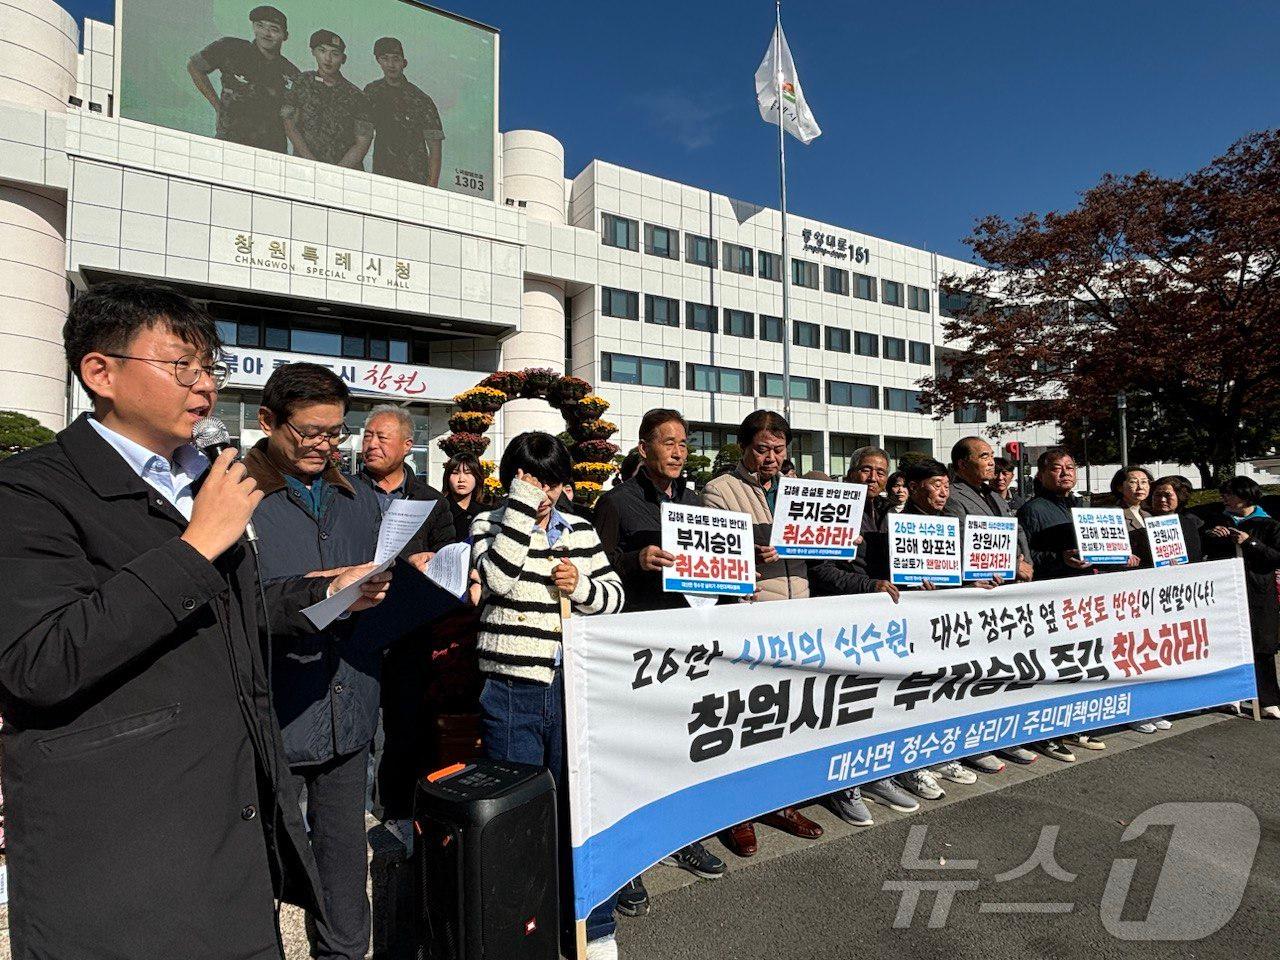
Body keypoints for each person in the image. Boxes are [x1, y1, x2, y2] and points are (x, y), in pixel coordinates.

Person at [0, 283, 386, 959]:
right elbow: (39, 661)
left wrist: (328, 594)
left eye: (211, 367)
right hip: (121, 853)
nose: (205, 386)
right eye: (182, 366)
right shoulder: (30, 490)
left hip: (228, 826)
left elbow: (234, 608)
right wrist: (194, 546)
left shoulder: (205, 478)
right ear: (101, 372)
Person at [244, 364, 397, 960]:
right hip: (272, 712)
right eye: (308, 433)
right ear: (268, 422)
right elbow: (224, 604)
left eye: (334, 434)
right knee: (260, 866)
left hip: (349, 704)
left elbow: (370, 587)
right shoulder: (231, 494)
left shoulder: (354, 496)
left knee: (342, 863)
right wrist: (321, 592)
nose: (323, 446)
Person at [470, 432, 625, 959]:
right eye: (533, 479)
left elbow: (614, 599)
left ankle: (592, 926)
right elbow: (495, 580)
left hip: (572, 688)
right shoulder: (489, 524)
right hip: (511, 689)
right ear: (512, 478)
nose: (546, 492)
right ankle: (520, 932)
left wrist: (581, 585)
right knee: (517, 817)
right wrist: (517, 510)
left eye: (554, 481)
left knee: (580, 810)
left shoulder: (579, 530)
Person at [593, 410, 728, 915]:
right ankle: (627, 863)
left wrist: (740, 569)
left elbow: (714, 569)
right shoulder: (616, 503)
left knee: (681, 748)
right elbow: (597, 571)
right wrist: (635, 562)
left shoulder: (696, 503)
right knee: (633, 756)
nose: (678, 451)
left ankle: (679, 839)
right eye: (668, 442)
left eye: (684, 443)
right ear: (645, 447)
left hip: (689, 644)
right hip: (638, 647)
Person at [703, 411, 822, 856]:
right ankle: (739, 814)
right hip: (752, 616)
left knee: (792, 717)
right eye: (761, 449)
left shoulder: (802, 491)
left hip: (799, 613)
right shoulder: (720, 489)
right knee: (748, 720)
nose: (771, 457)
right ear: (743, 448)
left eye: (779, 448)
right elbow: (715, 550)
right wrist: (751, 553)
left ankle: (783, 804)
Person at [354, 406, 457, 834]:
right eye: (367, 436)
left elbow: (451, 556)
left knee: (403, 727)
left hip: (408, 633)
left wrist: (428, 562)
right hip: (353, 627)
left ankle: (396, 811)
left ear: (406, 446)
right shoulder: (345, 490)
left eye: (381, 437)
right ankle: (347, 813)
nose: (371, 444)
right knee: (355, 725)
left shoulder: (431, 500)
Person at [811, 447, 917, 824]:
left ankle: (877, 775)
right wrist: (867, 584)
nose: (873, 477)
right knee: (845, 706)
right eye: (866, 470)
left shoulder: (891, 512)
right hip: (841, 619)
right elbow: (820, 572)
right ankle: (843, 788)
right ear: (851, 472)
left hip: (884, 623)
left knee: (881, 702)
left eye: (880, 472)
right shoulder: (833, 507)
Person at [941, 437, 1063, 761]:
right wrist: (1012, 564)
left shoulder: (995, 494)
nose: (992, 461)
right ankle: (974, 743)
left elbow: (1015, 533)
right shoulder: (954, 498)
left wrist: (1027, 561)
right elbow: (966, 544)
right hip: (979, 595)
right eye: (983, 456)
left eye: (992, 455)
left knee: (1005, 670)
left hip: (1009, 591)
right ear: (962, 464)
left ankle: (1002, 734)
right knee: (977, 673)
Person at [1017, 448, 1091, 762]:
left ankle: (1070, 724)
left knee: (1076, 662)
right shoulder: (1033, 509)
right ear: (1042, 474)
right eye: (1057, 468)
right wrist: (1059, 558)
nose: (1065, 472)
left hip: (1080, 596)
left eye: (1070, 467)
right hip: (1049, 598)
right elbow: (1027, 557)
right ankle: (1045, 734)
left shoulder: (1082, 505)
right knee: (1050, 667)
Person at [1202, 477, 1280, 718]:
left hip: (1258, 592)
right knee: (1228, 643)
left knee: (1261, 645)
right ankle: (1230, 696)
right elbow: (1203, 547)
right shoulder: (1217, 520)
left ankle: (1267, 699)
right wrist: (1211, 535)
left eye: (1230, 494)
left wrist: (1251, 543)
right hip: (1225, 591)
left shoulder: (1269, 524)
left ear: (1245, 496)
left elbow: (1276, 557)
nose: (1225, 498)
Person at [188, 5, 300, 152]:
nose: (266, 33)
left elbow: (294, 117)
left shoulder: (291, 73)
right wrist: (218, 107)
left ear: (285, 36)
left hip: (271, 150)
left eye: (274, 29)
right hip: (230, 141)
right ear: (254, 27)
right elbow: (194, 66)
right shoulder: (232, 49)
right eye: (260, 26)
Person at [282, 30, 375, 168]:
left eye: (335, 54)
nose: (328, 58)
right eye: (322, 51)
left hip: (344, 175)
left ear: (343, 59)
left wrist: (335, 172)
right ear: (313, 52)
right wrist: (312, 164)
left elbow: (362, 142)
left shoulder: (357, 96)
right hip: (304, 168)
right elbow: (289, 125)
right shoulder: (301, 82)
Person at [363, 37, 445, 187]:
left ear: (404, 63)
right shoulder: (372, 92)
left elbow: (435, 151)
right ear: (378, 61)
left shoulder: (421, 100)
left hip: (416, 179)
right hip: (382, 177)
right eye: (385, 59)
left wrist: (432, 188)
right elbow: (362, 137)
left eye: (396, 59)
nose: (391, 64)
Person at [1150, 474, 1204, 563]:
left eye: (1168, 495)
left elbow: (1195, 555)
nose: (1162, 499)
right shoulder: (1143, 521)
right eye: (1158, 495)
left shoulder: (1189, 523)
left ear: (1179, 497)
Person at [443, 452, 488, 541]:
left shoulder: (486, 512)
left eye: (468, 473)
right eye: (455, 473)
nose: (461, 479)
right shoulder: (440, 511)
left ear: (477, 477)